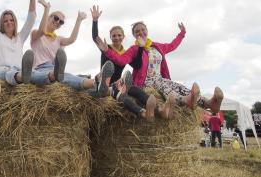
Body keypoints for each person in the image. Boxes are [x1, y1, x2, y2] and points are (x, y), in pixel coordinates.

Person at [95, 21, 224, 113]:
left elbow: (173, 45)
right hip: (144, 83)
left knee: (177, 86)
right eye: (137, 31)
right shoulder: (134, 49)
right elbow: (121, 60)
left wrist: (182, 33)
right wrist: (107, 50)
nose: (140, 32)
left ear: (146, 31)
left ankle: (209, 104)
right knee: (164, 87)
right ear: (134, 35)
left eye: (142, 30)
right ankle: (185, 100)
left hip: (159, 78)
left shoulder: (157, 47)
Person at [91, 6, 173, 120]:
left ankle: (159, 109)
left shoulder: (125, 53)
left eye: (119, 35)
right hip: (105, 84)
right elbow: (95, 38)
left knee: (136, 90)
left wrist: (140, 48)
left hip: (119, 83)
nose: (117, 38)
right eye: (114, 35)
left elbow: (137, 65)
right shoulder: (106, 48)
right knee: (122, 95)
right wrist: (95, 21)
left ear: (123, 37)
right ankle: (143, 113)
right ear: (110, 37)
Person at [30, 0, 113, 95]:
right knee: (66, 78)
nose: (58, 22)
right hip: (40, 69)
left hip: (55, 68)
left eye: (61, 22)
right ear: (49, 18)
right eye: (56, 18)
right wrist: (46, 9)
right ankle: (97, 82)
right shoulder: (36, 34)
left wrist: (79, 20)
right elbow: (41, 31)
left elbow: (72, 39)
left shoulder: (58, 39)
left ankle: (108, 89)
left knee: (68, 78)